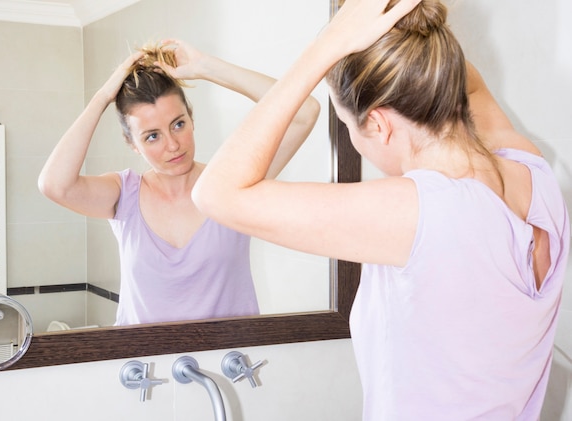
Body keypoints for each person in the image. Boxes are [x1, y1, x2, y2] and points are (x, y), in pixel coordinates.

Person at [192, 0, 570, 419]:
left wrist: (328, 48)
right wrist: (404, 32)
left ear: (378, 124)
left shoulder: (416, 214)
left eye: (348, 125)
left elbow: (215, 193)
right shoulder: (533, 174)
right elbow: (470, 83)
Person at [38, 40, 320, 326]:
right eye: (152, 136)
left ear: (191, 119)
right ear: (132, 144)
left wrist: (207, 68)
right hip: (143, 367)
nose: (173, 145)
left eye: (178, 124)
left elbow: (304, 113)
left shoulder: (228, 184)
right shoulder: (124, 195)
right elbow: (54, 185)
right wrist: (102, 97)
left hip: (228, 363)